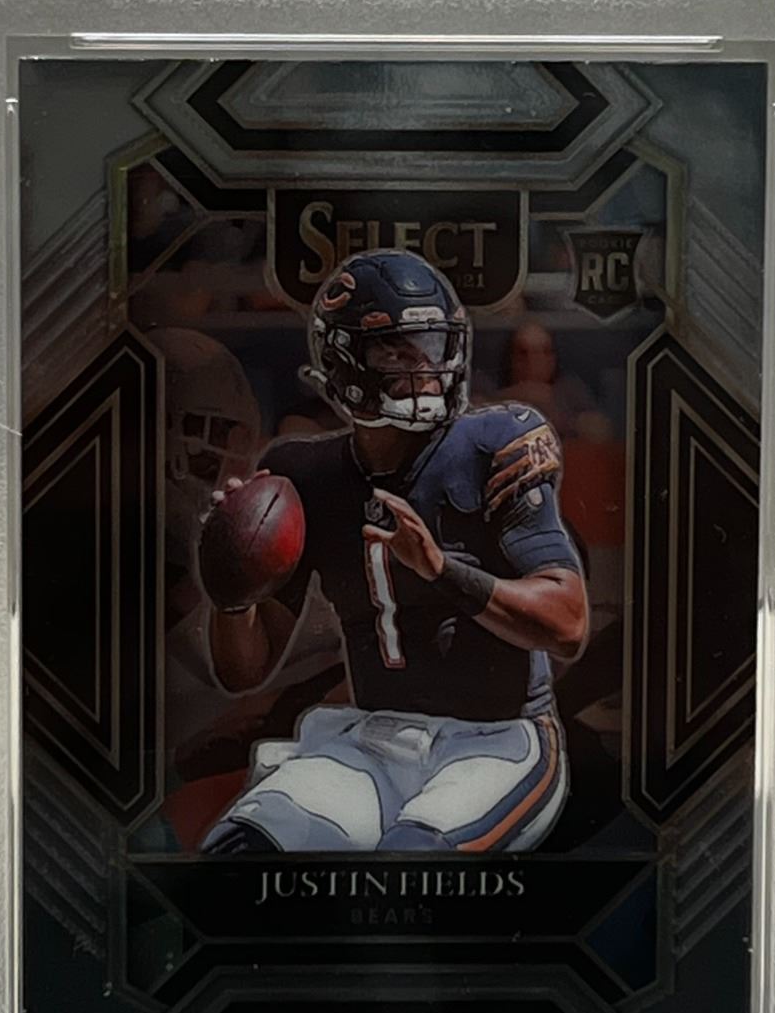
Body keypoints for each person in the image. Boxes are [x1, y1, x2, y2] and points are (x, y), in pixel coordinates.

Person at [198, 249, 589, 854]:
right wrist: (232, 585)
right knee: (239, 857)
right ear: (342, 359)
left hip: (496, 742)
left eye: (434, 347)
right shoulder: (305, 473)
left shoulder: (495, 444)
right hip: (371, 742)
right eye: (397, 352)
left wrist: (442, 570)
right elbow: (245, 669)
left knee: (410, 868)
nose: (426, 369)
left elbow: (568, 625)